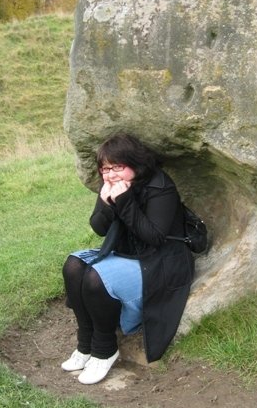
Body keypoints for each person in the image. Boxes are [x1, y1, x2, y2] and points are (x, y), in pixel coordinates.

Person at [61, 132, 195, 384]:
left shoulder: (160, 186)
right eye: (105, 169)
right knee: (73, 265)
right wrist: (107, 204)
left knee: (94, 278)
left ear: (135, 164)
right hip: (127, 253)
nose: (110, 175)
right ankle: (85, 344)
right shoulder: (112, 186)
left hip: (161, 262)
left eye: (117, 168)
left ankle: (104, 350)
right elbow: (99, 228)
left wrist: (123, 201)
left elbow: (154, 237)